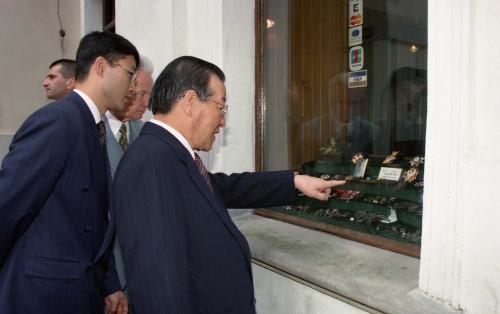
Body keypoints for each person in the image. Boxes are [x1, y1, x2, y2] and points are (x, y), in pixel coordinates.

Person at [112, 56, 345, 314]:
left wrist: (294, 181)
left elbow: (223, 187)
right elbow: (159, 286)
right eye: (220, 108)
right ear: (190, 102)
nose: (222, 122)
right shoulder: (151, 163)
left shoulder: (170, 155)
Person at [0, 31, 139, 314]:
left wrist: (109, 282)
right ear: (101, 66)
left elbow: (94, 217)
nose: (133, 86)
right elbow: (8, 204)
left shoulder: (93, 125)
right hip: (40, 295)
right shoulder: (58, 121)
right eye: (129, 73)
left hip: (79, 291)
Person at [103, 56, 154, 311]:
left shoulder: (145, 133)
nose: (146, 103)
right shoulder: (89, 131)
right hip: (105, 277)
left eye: (148, 95)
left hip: (141, 274)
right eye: (140, 94)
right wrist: (108, 281)